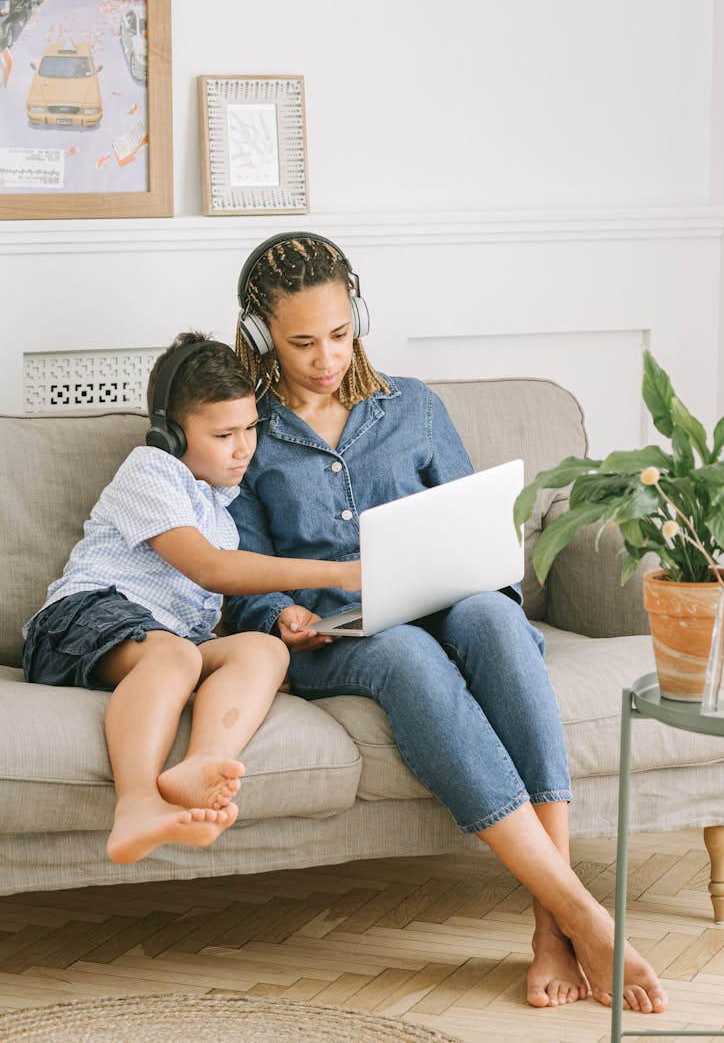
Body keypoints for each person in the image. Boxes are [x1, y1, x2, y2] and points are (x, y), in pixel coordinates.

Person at [224, 233, 669, 1016]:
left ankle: (550, 923)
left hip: (446, 600)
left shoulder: (416, 406)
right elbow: (243, 576)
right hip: (341, 635)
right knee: (407, 657)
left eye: (338, 333)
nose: (327, 357)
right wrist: (281, 613)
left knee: (494, 622)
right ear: (262, 337)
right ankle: (583, 911)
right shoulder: (248, 434)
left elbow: (483, 535)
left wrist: (478, 569)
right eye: (301, 342)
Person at [22, 332, 360, 867]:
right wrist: (339, 573)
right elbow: (209, 568)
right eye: (225, 434)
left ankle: (203, 764)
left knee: (263, 652)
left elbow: (209, 602)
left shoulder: (220, 512)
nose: (244, 447)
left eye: (251, 428)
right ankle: (135, 805)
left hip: (161, 640)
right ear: (170, 436)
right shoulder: (151, 471)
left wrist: (284, 619)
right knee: (174, 654)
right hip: (78, 621)